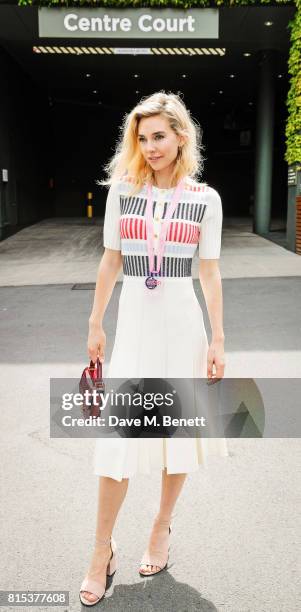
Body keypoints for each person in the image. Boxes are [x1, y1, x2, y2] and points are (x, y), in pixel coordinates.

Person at [79, 91, 228, 606]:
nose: (150, 146)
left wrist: (217, 337)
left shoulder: (204, 199)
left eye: (159, 136)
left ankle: (162, 527)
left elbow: (208, 272)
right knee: (118, 440)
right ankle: (102, 550)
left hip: (182, 322)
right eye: (142, 139)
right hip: (136, 326)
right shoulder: (123, 192)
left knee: (175, 435)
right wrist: (96, 321)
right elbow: (110, 262)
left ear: (181, 136)